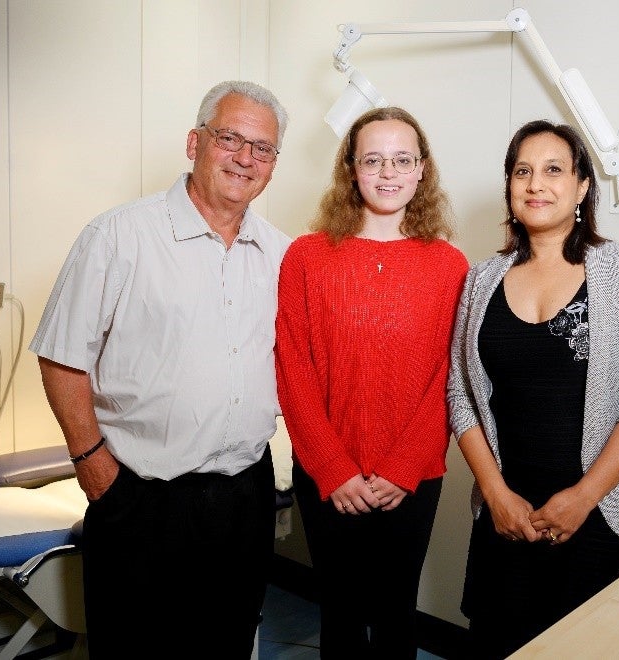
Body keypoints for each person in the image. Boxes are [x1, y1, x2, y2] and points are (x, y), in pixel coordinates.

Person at [29, 80, 291, 658]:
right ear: (195, 142)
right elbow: (61, 357)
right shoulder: (119, 237)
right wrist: (94, 467)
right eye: (231, 139)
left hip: (244, 500)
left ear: (274, 164)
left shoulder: (281, 255)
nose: (246, 159)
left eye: (263, 149)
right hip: (142, 501)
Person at [447, 119, 619, 659]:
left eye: (553, 170)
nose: (535, 184)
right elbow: (461, 396)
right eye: (522, 171)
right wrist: (497, 495)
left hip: (600, 520)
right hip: (508, 520)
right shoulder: (481, 280)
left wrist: (582, 498)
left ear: (581, 187)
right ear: (509, 187)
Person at [275, 106, 469, 659]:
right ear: (351, 169)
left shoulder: (449, 264)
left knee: (394, 615)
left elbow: (449, 376)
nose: (388, 173)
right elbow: (293, 367)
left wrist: (403, 469)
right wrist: (333, 469)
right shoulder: (307, 257)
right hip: (325, 474)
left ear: (422, 170)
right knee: (338, 616)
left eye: (402, 160)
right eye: (373, 160)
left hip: (412, 476)